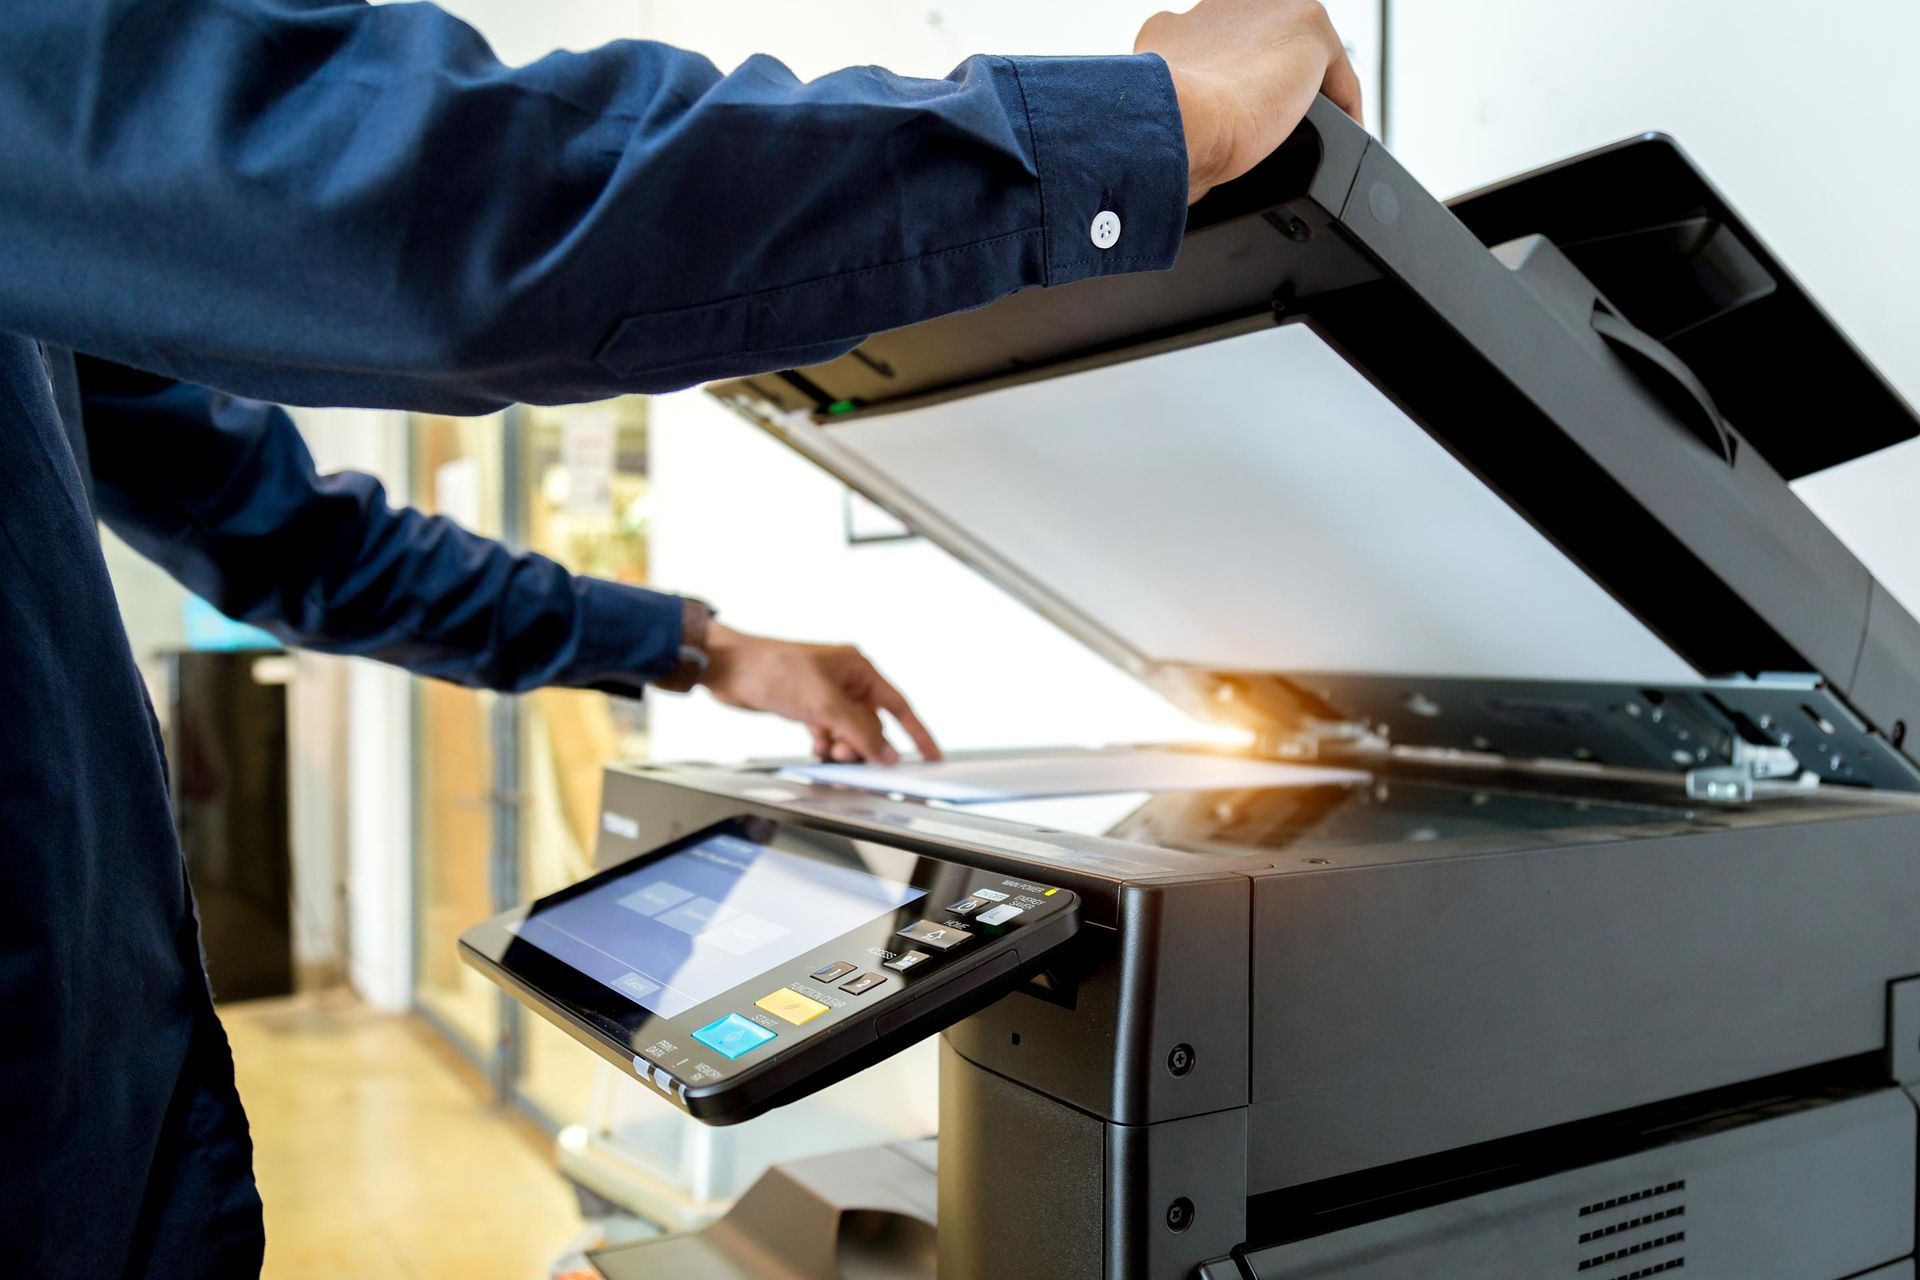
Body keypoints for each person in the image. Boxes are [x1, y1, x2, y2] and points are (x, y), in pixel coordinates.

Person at [0, 0, 1361, 1272]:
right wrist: (1170, 119)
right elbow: (433, 212)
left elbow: (289, 535)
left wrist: (706, 649)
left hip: (95, 1144)